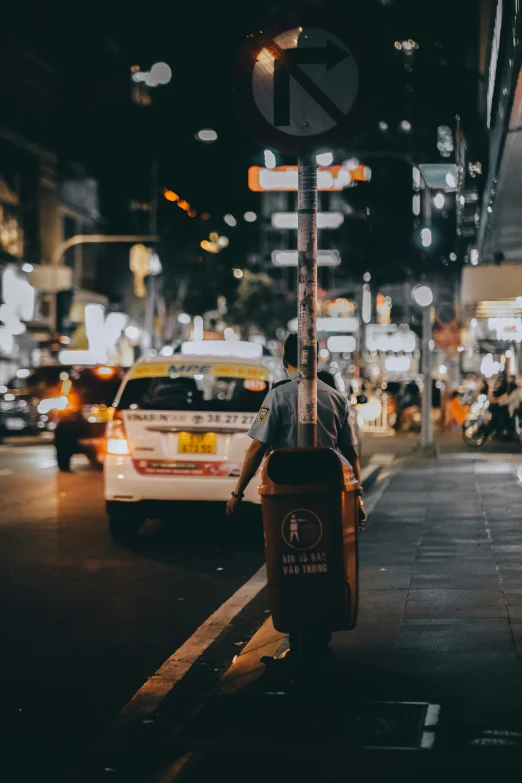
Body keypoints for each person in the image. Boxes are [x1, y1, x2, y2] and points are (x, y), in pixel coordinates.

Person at [225, 333, 364, 661]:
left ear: (284, 357)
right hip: (330, 497)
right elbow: (351, 454)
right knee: (325, 562)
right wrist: (357, 499)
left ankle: (299, 635)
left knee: (290, 563)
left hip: (284, 497)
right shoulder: (336, 398)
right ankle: (320, 634)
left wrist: (237, 492)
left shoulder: (276, 397)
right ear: (317, 358)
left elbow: (257, 447)